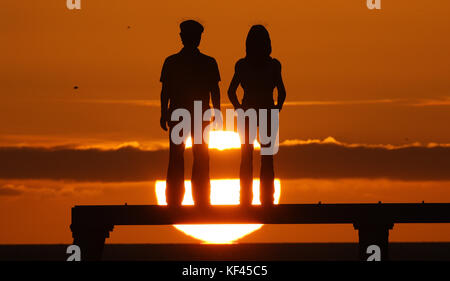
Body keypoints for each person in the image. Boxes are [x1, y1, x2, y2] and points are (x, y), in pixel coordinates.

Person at [160, 20, 221, 207]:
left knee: (191, 156)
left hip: (192, 114)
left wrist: (164, 113)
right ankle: (184, 198)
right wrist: (163, 113)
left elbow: (214, 90)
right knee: (190, 156)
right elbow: (166, 91)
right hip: (188, 114)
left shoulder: (174, 62)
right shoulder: (204, 62)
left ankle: (190, 198)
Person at [227, 25, 286, 206]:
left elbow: (231, 92)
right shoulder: (273, 65)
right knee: (266, 157)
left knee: (247, 156)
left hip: (249, 112)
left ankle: (246, 198)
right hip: (267, 112)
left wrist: (239, 107)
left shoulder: (243, 65)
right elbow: (282, 92)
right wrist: (277, 107)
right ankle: (266, 198)